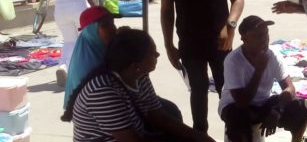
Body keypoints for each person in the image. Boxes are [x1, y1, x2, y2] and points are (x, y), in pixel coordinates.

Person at [160, 0, 244, 133]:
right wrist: (168, 44)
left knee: (228, 89)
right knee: (198, 90)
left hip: (221, 43)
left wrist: (230, 26)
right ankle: (200, 134)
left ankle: (232, 131)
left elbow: (238, 0)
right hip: (189, 44)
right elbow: (166, 10)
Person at [62, 29, 214, 142]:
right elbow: (130, 139)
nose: (158, 55)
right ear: (136, 65)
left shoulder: (140, 76)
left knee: (172, 113)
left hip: (135, 135)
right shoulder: (103, 92)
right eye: (152, 53)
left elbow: (159, 117)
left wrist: (200, 137)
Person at [218, 15, 307, 142]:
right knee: (238, 116)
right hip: (235, 107)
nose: (264, 39)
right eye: (258, 36)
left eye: (266, 33)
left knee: (300, 107)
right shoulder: (233, 60)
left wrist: (277, 110)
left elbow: (289, 88)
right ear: (244, 38)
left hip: (263, 103)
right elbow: (242, 101)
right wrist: (259, 70)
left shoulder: (272, 55)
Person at [47, 0, 99, 87]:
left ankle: (64, 67)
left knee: (69, 41)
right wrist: (98, 11)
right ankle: (80, 74)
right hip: (79, 10)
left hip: (60, 10)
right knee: (84, 42)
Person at [63, 6, 116, 109]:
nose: (113, 29)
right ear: (91, 31)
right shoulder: (91, 66)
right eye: (105, 26)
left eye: (112, 23)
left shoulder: (90, 43)